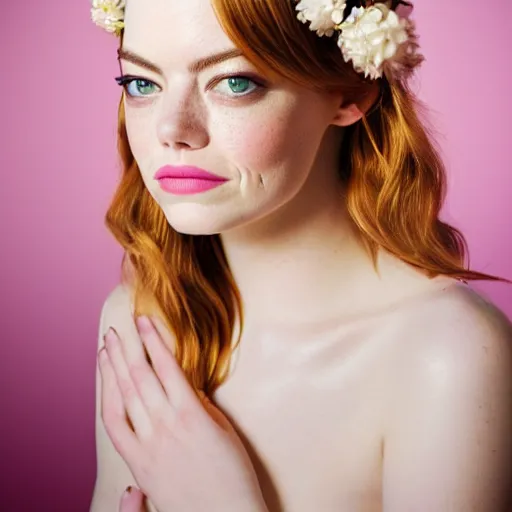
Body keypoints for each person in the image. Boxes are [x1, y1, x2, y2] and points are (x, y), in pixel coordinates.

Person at [88, 0, 512, 510]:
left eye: (235, 82)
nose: (171, 129)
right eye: (141, 83)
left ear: (350, 92)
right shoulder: (145, 325)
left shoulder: (446, 356)